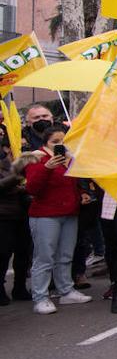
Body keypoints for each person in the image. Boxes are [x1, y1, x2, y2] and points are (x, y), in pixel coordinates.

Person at [24, 124, 91, 313]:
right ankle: (40, 297)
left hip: (69, 213)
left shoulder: (68, 159)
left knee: (65, 255)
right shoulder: (37, 157)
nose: (60, 145)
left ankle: (66, 290)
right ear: (46, 143)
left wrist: (81, 193)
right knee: (44, 257)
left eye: (63, 141)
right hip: (45, 215)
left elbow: (73, 182)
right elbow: (32, 188)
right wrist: (46, 167)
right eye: (55, 142)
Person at [0, 133, 31, 305]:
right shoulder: (5, 164)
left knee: (23, 252)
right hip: (4, 216)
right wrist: (17, 177)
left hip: (23, 213)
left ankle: (20, 287)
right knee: (3, 254)